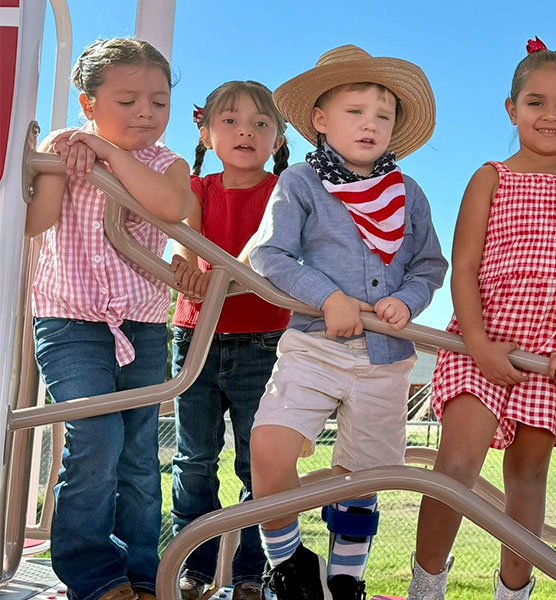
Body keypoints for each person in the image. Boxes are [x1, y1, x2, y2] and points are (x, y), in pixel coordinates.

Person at [410, 39, 556, 600]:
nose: (550, 115)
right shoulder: (490, 177)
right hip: (485, 340)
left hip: (552, 352)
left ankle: (513, 593)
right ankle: (425, 588)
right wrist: (478, 343)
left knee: (528, 475)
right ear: (511, 109)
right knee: (456, 465)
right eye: (535, 102)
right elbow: (465, 267)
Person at [246, 45, 447, 600]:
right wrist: (327, 296)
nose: (370, 124)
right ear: (320, 119)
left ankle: (345, 581)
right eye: (355, 111)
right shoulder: (300, 183)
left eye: (383, 115)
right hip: (315, 345)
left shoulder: (408, 193)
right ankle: (288, 565)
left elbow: (430, 264)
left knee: (363, 478)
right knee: (269, 446)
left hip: (386, 356)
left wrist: (407, 300)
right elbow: (267, 254)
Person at [27, 37, 195, 600]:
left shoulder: (167, 163)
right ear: (89, 103)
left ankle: (142, 573)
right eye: (127, 101)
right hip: (69, 321)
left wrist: (109, 154)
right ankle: (94, 573)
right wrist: (53, 163)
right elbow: (37, 221)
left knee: (140, 452)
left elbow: (171, 207)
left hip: (141, 324)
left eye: (159, 102)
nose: (146, 112)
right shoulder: (63, 148)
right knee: (96, 436)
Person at [167, 80, 292, 600]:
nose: (246, 132)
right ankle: (191, 567)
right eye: (232, 121)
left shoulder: (286, 192)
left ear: (278, 140)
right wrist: (183, 265)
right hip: (196, 335)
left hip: (264, 340)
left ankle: (250, 574)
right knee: (194, 458)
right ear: (206, 133)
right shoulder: (197, 189)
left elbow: (271, 252)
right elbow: (184, 239)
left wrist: (220, 275)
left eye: (261, 124)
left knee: (254, 462)